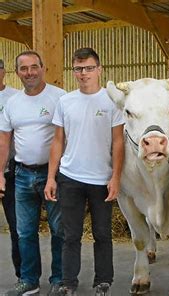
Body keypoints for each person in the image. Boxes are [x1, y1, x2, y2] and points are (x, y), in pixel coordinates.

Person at [43, 47, 125, 296]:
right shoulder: (66, 102)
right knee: (70, 235)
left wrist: (116, 177)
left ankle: (103, 281)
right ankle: (69, 283)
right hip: (70, 178)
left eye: (89, 68)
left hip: (102, 178)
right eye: (78, 69)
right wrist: (51, 178)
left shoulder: (111, 101)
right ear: (74, 71)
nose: (84, 73)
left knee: (102, 234)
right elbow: (58, 141)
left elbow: (118, 141)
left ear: (99, 70)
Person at [0, 51, 66, 296]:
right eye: (24, 68)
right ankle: (29, 280)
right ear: (17, 72)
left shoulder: (59, 98)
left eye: (34, 67)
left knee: (59, 229)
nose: (30, 72)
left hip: (54, 175)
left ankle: (59, 279)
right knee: (24, 231)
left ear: (43, 68)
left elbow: (66, 136)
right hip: (22, 175)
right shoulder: (13, 103)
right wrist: (0, 173)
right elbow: (4, 141)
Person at [0, 58, 21, 281]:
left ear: (4, 71)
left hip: (10, 171)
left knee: (17, 227)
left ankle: (23, 274)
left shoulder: (15, 97)